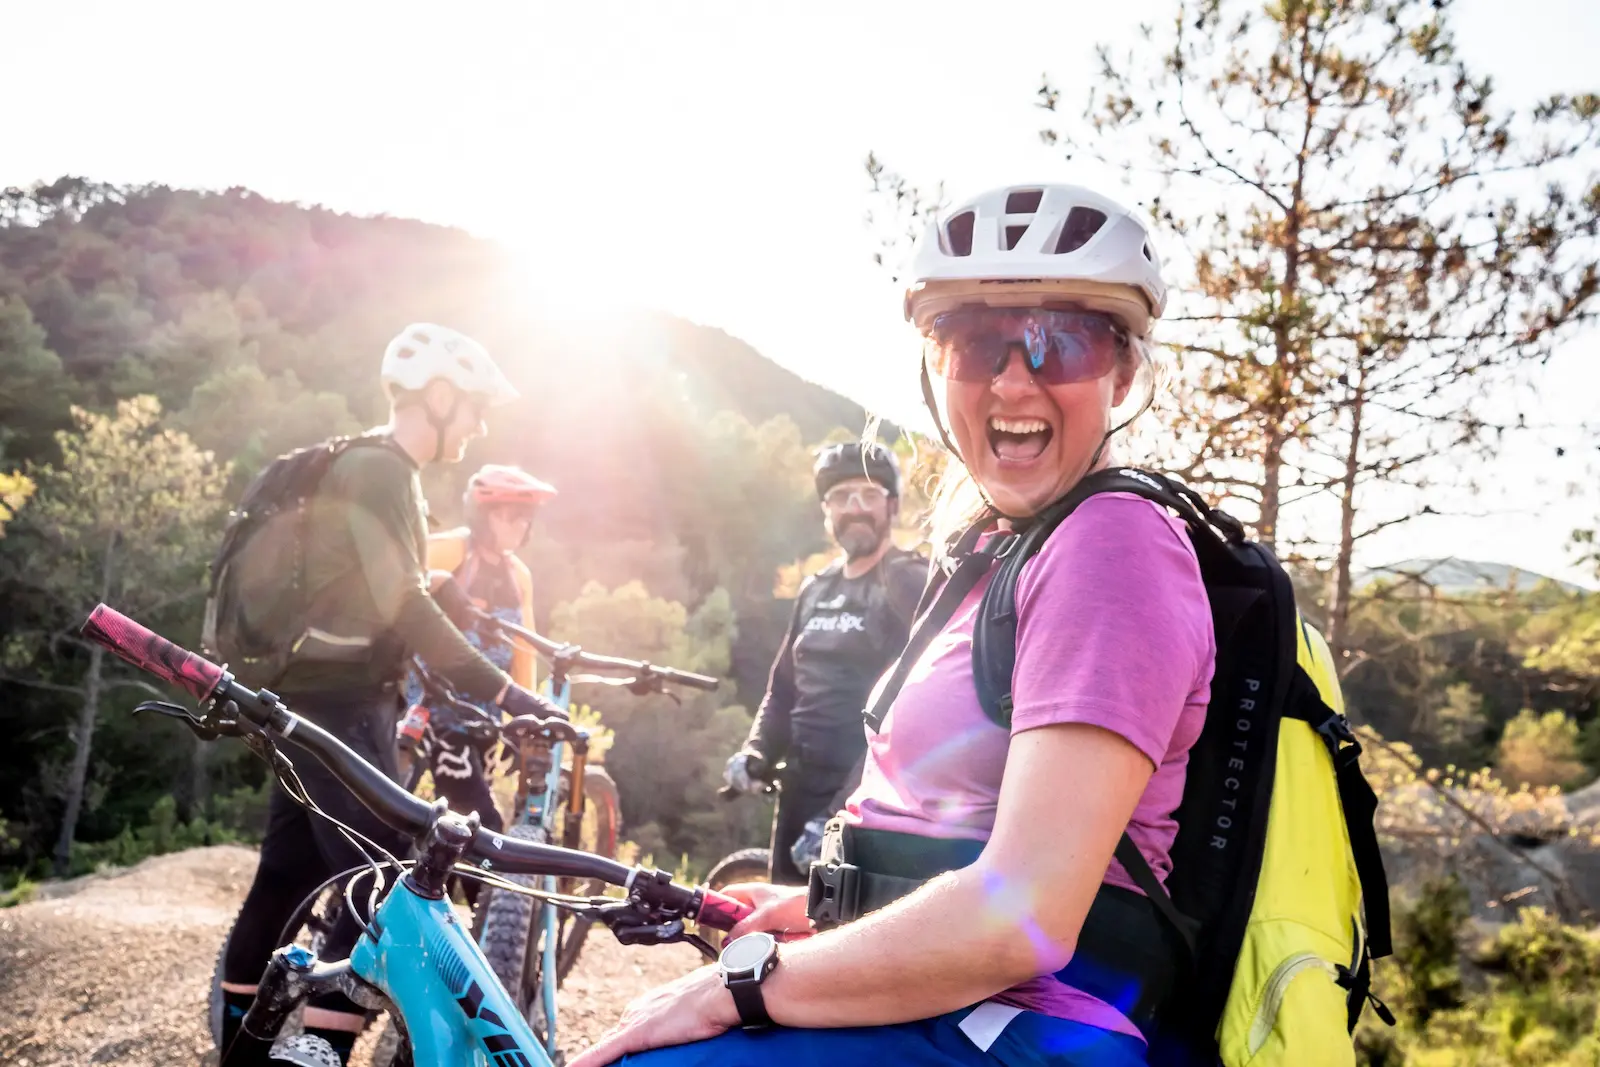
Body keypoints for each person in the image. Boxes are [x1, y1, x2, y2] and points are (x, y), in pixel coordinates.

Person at [571, 182, 1215, 1067]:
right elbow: (948, 836)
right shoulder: (997, 548)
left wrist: (742, 986)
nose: (1014, 379)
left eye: (1062, 341)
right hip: (947, 1009)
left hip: (1016, 1024)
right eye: (975, 343)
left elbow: (1013, 919)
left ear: (1124, 370)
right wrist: (810, 906)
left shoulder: (1111, 544)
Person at [217, 324, 565, 1067]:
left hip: (299, 698)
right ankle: (315, 1049)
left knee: (288, 873)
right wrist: (508, 692)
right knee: (383, 878)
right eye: (472, 407)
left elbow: (376, 588)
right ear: (438, 397)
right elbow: (404, 602)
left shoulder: (356, 462)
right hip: (344, 705)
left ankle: (239, 1044)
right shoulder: (384, 470)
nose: (477, 424)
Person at [721, 442, 926, 884]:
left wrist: (842, 814)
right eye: (841, 497)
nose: (855, 508)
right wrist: (757, 751)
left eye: (869, 495)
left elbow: (914, 712)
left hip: (867, 801)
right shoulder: (816, 589)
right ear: (826, 511)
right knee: (781, 934)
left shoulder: (909, 582)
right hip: (798, 790)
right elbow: (783, 687)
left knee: (838, 942)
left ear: (892, 506)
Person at [399, 463, 556, 903]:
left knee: (454, 828)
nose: (519, 526)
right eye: (509, 515)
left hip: (486, 711)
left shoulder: (518, 575)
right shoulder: (449, 552)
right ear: (482, 516)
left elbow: (523, 651)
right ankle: (493, 940)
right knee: (480, 824)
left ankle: (456, 921)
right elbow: (399, 601)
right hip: (429, 703)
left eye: (525, 518)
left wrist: (525, 712)